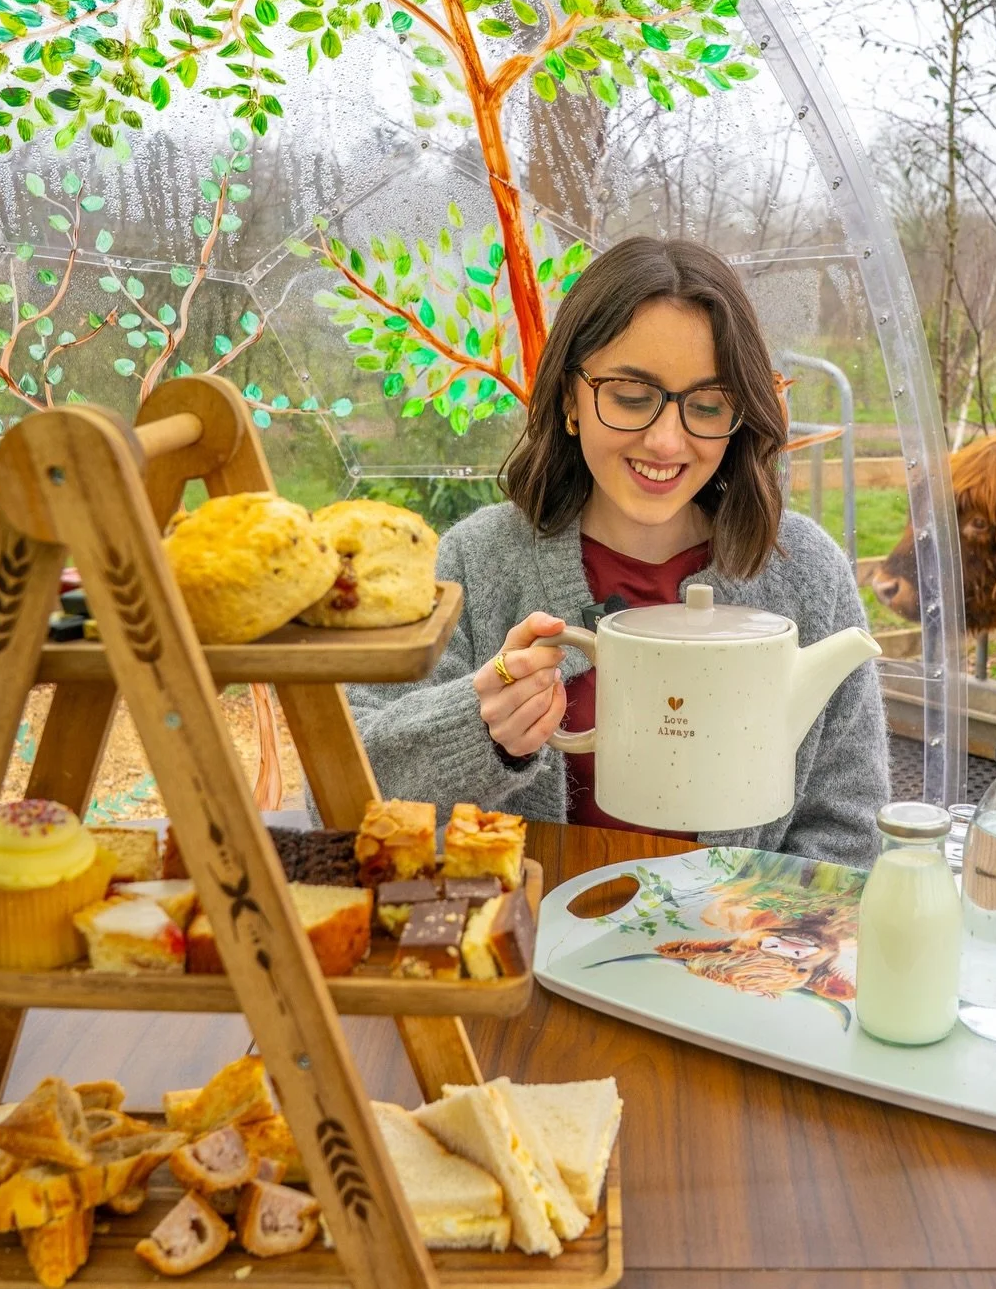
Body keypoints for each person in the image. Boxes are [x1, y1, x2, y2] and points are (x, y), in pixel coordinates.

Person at [349, 236, 890, 860]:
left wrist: (748, 936)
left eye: (708, 406)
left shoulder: (806, 573)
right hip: (527, 948)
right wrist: (480, 730)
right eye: (631, 397)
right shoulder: (474, 562)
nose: (666, 441)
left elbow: (849, 829)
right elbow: (347, 791)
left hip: (736, 952)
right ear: (569, 399)